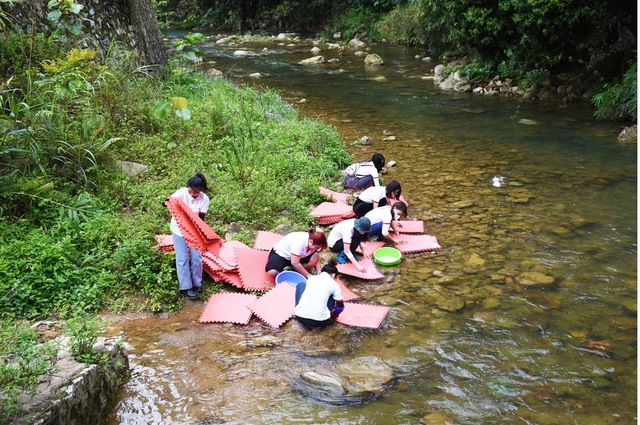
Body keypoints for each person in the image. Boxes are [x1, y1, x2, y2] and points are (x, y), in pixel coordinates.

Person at [165, 173, 210, 300]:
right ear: (188, 188)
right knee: (182, 258)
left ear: (200, 191)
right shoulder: (181, 193)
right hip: (178, 229)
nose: (192, 194)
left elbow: (201, 219)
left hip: (194, 231)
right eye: (190, 191)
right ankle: (185, 287)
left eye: (195, 192)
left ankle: (197, 283)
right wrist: (170, 203)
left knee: (197, 257)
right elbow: (166, 202)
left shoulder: (204, 199)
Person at [294, 261, 345, 329]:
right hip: (320, 321)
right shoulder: (334, 284)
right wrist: (334, 316)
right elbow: (340, 307)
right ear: (333, 275)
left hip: (299, 317)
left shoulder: (311, 278)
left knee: (301, 285)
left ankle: (299, 309)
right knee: (333, 295)